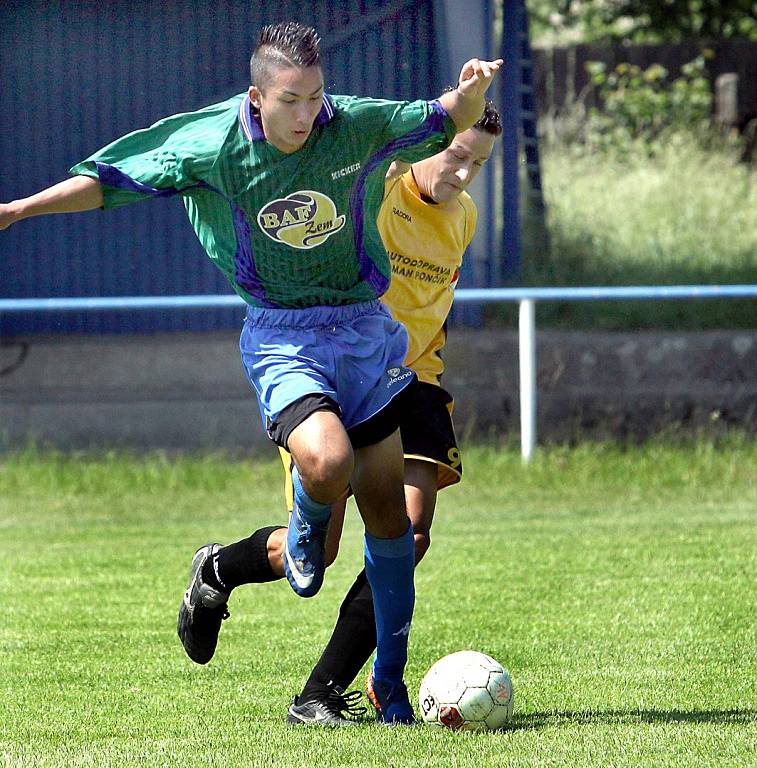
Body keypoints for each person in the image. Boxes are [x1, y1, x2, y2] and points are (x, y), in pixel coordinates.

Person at [0, 21, 501, 725]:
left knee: (393, 520)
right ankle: (240, 560)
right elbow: (110, 180)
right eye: (291, 100)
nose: (307, 115)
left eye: (315, 97)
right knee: (325, 472)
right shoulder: (208, 143)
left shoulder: (349, 124)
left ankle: (385, 690)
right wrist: (20, 209)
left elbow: (436, 118)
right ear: (256, 96)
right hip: (284, 338)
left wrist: (468, 92)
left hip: (363, 331)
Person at [171, 102, 503, 726]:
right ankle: (220, 567)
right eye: (455, 155)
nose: (461, 174)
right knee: (317, 556)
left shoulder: (463, 218)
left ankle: (329, 691)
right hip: (334, 364)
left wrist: (428, 377)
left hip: (414, 378)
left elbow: (436, 306)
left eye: (478, 165)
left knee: (412, 530)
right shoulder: (374, 189)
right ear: (419, 145)